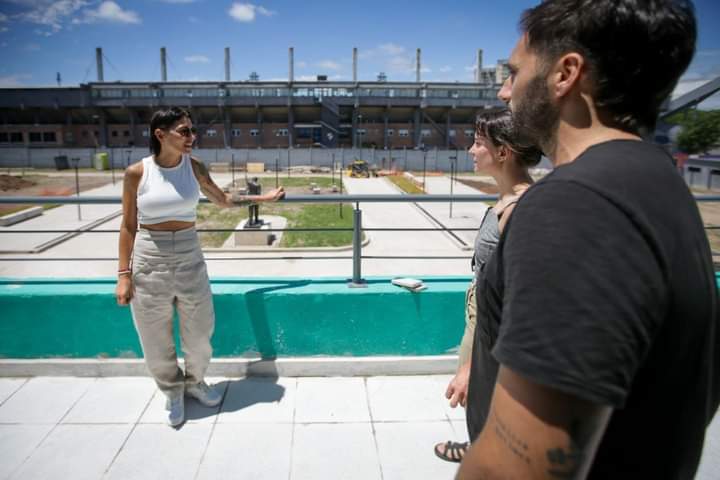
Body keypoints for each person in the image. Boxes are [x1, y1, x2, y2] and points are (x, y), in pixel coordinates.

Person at [458, 1, 719, 479]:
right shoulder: (657, 184)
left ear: (566, 73)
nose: (504, 90)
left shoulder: (575, 206)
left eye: (514, 73)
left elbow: (514, 471)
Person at [115, 107, 284, 427]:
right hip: (151, 258)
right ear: (160, 134)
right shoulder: (137, 173)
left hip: (191, 255)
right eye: (184, 131)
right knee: (154, 337)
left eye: (192, 130)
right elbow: (127, 225)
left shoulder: (194, 168)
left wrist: (265, 199)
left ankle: (195, 383)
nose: (192, 137)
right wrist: (124, 275)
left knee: (200, 332)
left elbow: (222, 200)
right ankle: (172, 391)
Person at [434, 109, 541, 463]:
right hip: (480, 326)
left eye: (478, 142)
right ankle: (478, 446)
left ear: (503, 153)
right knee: (479, 413)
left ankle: (485, 457)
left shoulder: (521, 208)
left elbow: (517, 296)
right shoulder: (508, 201)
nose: (470, 150)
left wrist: (472, 367)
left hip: (492, 335)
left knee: (484, 409)